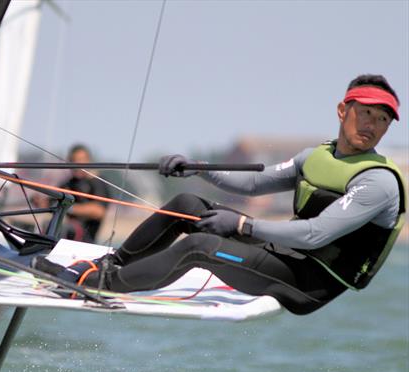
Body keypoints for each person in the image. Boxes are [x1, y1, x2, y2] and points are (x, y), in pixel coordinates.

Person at [35, 74, 405, 315]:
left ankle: (93, 286)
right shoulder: (316, 157)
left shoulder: (378, 182)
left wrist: (243, 225)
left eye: (382, 120)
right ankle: (111, 265)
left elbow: (315, 234)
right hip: (284, 255)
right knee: (187, 206)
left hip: (310, 282)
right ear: (343, 110)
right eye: (366, 114)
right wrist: (199, 168)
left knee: (199, 247)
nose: (372, 126)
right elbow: (254, 184)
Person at [56, 144, 109, 243]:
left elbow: (98, 211)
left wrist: (68, 208)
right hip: (66, 238)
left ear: (88, 161)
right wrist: (42, 201)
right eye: (74, 160)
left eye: (81, 159)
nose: (77, 164)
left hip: (87, 241)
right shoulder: (67, 184)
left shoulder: (97, 182)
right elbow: (51, 202)